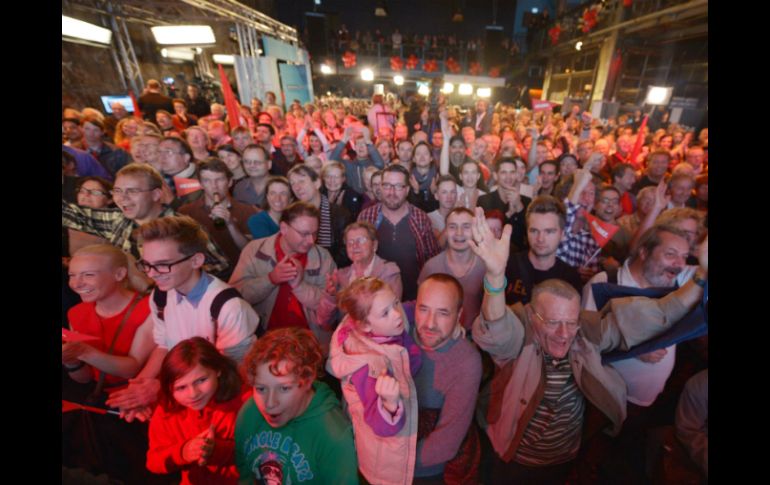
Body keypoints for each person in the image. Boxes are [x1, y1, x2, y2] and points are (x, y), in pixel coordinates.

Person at [469, 207, 708, 484]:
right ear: (533, 317)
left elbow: (657, 314)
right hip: (515, 460)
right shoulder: (521, 334)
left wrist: (702, 275)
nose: (563, 334)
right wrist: (496, 277)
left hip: (567, 458)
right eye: (552, 322)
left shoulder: (585, 332)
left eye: (570, 323)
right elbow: (496, 328)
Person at [105, 215, 259, 422]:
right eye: (147, 265)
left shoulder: (228, 307)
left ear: (196, 260)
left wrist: (163, 387)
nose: (152, 274)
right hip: (185, 397)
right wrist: (138, 389)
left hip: (226, 405)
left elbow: (235, 371)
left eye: (163, 265)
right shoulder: (160, 296)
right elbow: (164, 345)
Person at [328, 277, 422, 485]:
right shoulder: (369, 368)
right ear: (365, 325)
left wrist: (442, 318)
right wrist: (389, 404)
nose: (397, 314)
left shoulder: (386, 325)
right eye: (385, 312)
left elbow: (413, 307)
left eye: (395, 303)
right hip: (384, 461)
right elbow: (381, 426)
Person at [235, 327, 359, 484]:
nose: (270, 403)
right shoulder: (249, 413)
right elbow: (245, 472)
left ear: (307, 380)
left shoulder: (334, 437)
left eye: (284, 388)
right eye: (261, 388)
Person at [229, 202, 337, 352]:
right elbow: (236, 298)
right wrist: (270, 279)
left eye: (314, 233)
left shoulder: (323, 257)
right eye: (304, 234)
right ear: (284, 228)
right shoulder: (254, 250)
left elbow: (330, 310)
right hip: (265, 342)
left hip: (310, 344)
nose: (311, 241)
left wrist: (300, 286)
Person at [147, 337, 245, 484]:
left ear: (218, 370)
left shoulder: (246, 403)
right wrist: (183, 452)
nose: (193, 394)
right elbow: (153, 462)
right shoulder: (167, 411)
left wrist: (217, 450)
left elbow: (264, 454)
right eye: (181, 387)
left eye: (201, 380)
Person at [357, 164, 440, 301]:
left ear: (407, 190)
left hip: (413, 300)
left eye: (398, 186)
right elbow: (357, 259)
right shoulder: (366, 218)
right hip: (374, 300)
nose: (391, 192)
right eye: (387, 186)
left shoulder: (420, 218)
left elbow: (432, 260)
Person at [178, 158, 258, 267]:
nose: (214, 186)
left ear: (230, 182)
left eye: (219, 180)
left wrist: (231, 224)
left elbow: (250, 251)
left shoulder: (248, 211)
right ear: (200, 184)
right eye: (207, 181)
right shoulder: (186, 212)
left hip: (241, 274)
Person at [505, 195, 582, 305]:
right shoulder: (507, 265)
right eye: (534, 231)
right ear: (526, 232)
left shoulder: (570, 278)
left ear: (562, 235)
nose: (540, 239)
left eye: (549, 231)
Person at [418, 208, 486, 331]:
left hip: (477, 335)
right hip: (440, 334)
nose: (459, 233)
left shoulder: (486, 267)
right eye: (452, 227)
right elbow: (421, 307)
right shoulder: (431, 267)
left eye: (466, 227)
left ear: (475, 231)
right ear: (446, 231)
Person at [333, 221, 403, 298]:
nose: (355, 245)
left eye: (361, 240)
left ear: (374, 245)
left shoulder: (389, 272)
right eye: (350, 241)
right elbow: (325, 309)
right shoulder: (341, 275)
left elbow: (392, 307)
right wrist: (331, 294)